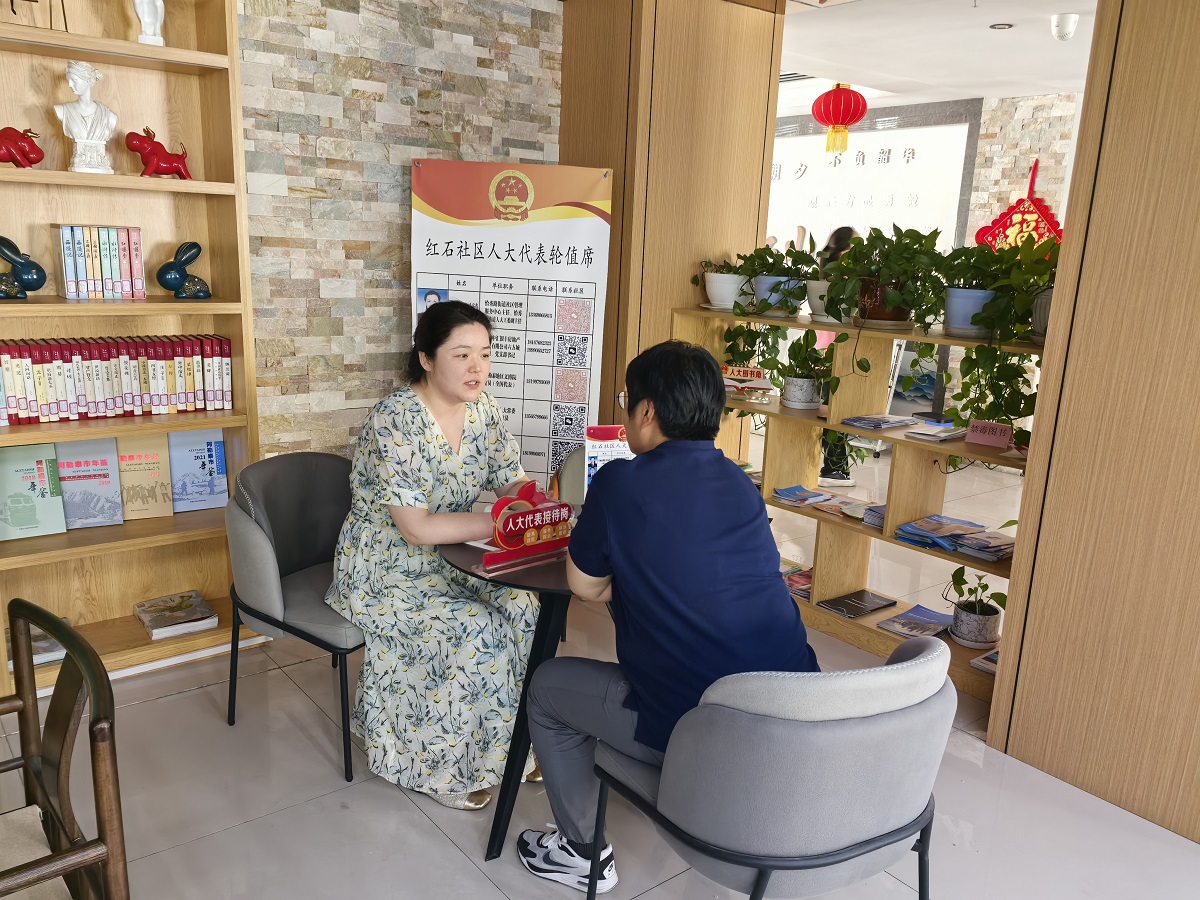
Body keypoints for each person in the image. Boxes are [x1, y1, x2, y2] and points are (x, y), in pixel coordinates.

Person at [517, 340, 820, 894]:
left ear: (647, 411)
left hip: (702, 729)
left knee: (547, 688)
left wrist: (636, 576)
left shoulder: (621, 481)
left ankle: (581, 852)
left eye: (627, 402)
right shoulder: (739, 482)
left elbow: (584, 585)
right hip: (796, 718)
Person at [325, 300, 538, 811]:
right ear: (425, 358)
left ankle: (506, 749)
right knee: (476, 628)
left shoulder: (484, 410)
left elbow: (512, 477)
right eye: (461, 355)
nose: (477, 367)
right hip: (384, 569)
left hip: (453, 555)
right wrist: (501, 522)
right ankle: (440, 768)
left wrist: (530, 504)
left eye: (485, 354)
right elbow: (416, 528)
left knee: (524, 607)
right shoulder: (395, 420)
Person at [817, 226, 859, 489]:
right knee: (834, 413)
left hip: (824, 351)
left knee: (830, 412)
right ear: (844, 251)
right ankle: (834, 469)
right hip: (834, 353)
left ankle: (835, 467)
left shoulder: (828, 276)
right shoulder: (845, 279)